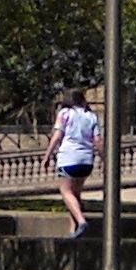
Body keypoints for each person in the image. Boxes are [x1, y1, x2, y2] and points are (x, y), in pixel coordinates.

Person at [48, 90, 100, 237]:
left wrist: (47, 155)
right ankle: (74, 229)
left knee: (66, 192)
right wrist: (104, 157)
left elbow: (58, 135)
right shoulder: (91, 116)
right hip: (86, 160)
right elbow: (97, 140)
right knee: (75, 195)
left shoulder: (65, 113)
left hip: (68, 158)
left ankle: (81, 221)